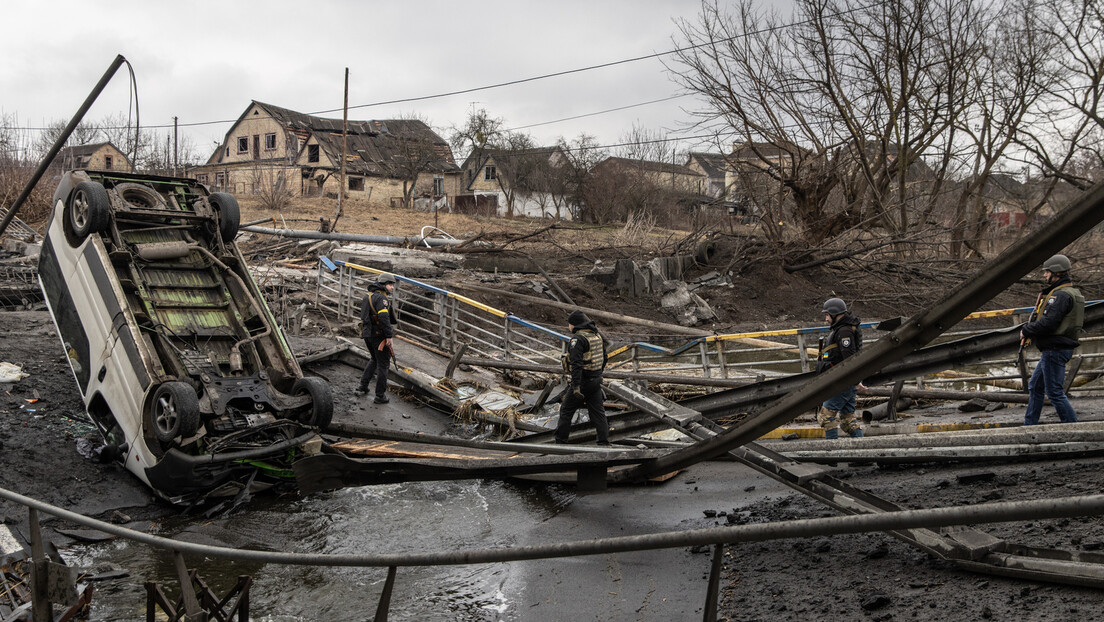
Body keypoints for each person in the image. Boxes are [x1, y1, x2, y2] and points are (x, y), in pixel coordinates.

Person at [1021, 254, 1084, 425]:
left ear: (1056, 272)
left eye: (1047, 272)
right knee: (1035, 386)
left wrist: (1026, 329)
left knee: (1055, 392)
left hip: (1055, 349)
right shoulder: (1069, 292)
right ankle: (1030, 425)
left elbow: (1048, 323)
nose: (1044, 275)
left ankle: (1073, 428)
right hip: (1055, 349)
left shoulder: (1061, 296)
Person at [555, 310, 611, 445]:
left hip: (583, 382)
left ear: (574, 324)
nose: (568, 327)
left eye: (569, 324)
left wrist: (576, 387)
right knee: (598, 413)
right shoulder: (596, 336)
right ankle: (604, 442)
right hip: (596, 380)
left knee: (566, 411)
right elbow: (605, 358)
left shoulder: (578, 339)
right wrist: (597, 375)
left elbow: (576, 365)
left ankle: (561, 442)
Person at [816, 297, 864, 439]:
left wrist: (854, 381)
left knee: (826, 417)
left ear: (835, 314)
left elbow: (849, 359)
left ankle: (833, 454)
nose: (826, 319)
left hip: (842, 381)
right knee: (848, 420)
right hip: (846, 381)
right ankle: (860, 454)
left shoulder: (844, 332)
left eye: (827, 315)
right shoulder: (844, 328)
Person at [356, 273, 397, 404]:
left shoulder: (368, 296)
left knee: (374, 359)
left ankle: (363, 386)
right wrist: (389, 336)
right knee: (383, 365)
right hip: (378, 335)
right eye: (390, 285)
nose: (392, 288)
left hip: (367, 334)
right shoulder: (381, 299)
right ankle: (380, 395)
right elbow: (384, 318)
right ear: (383, 285)